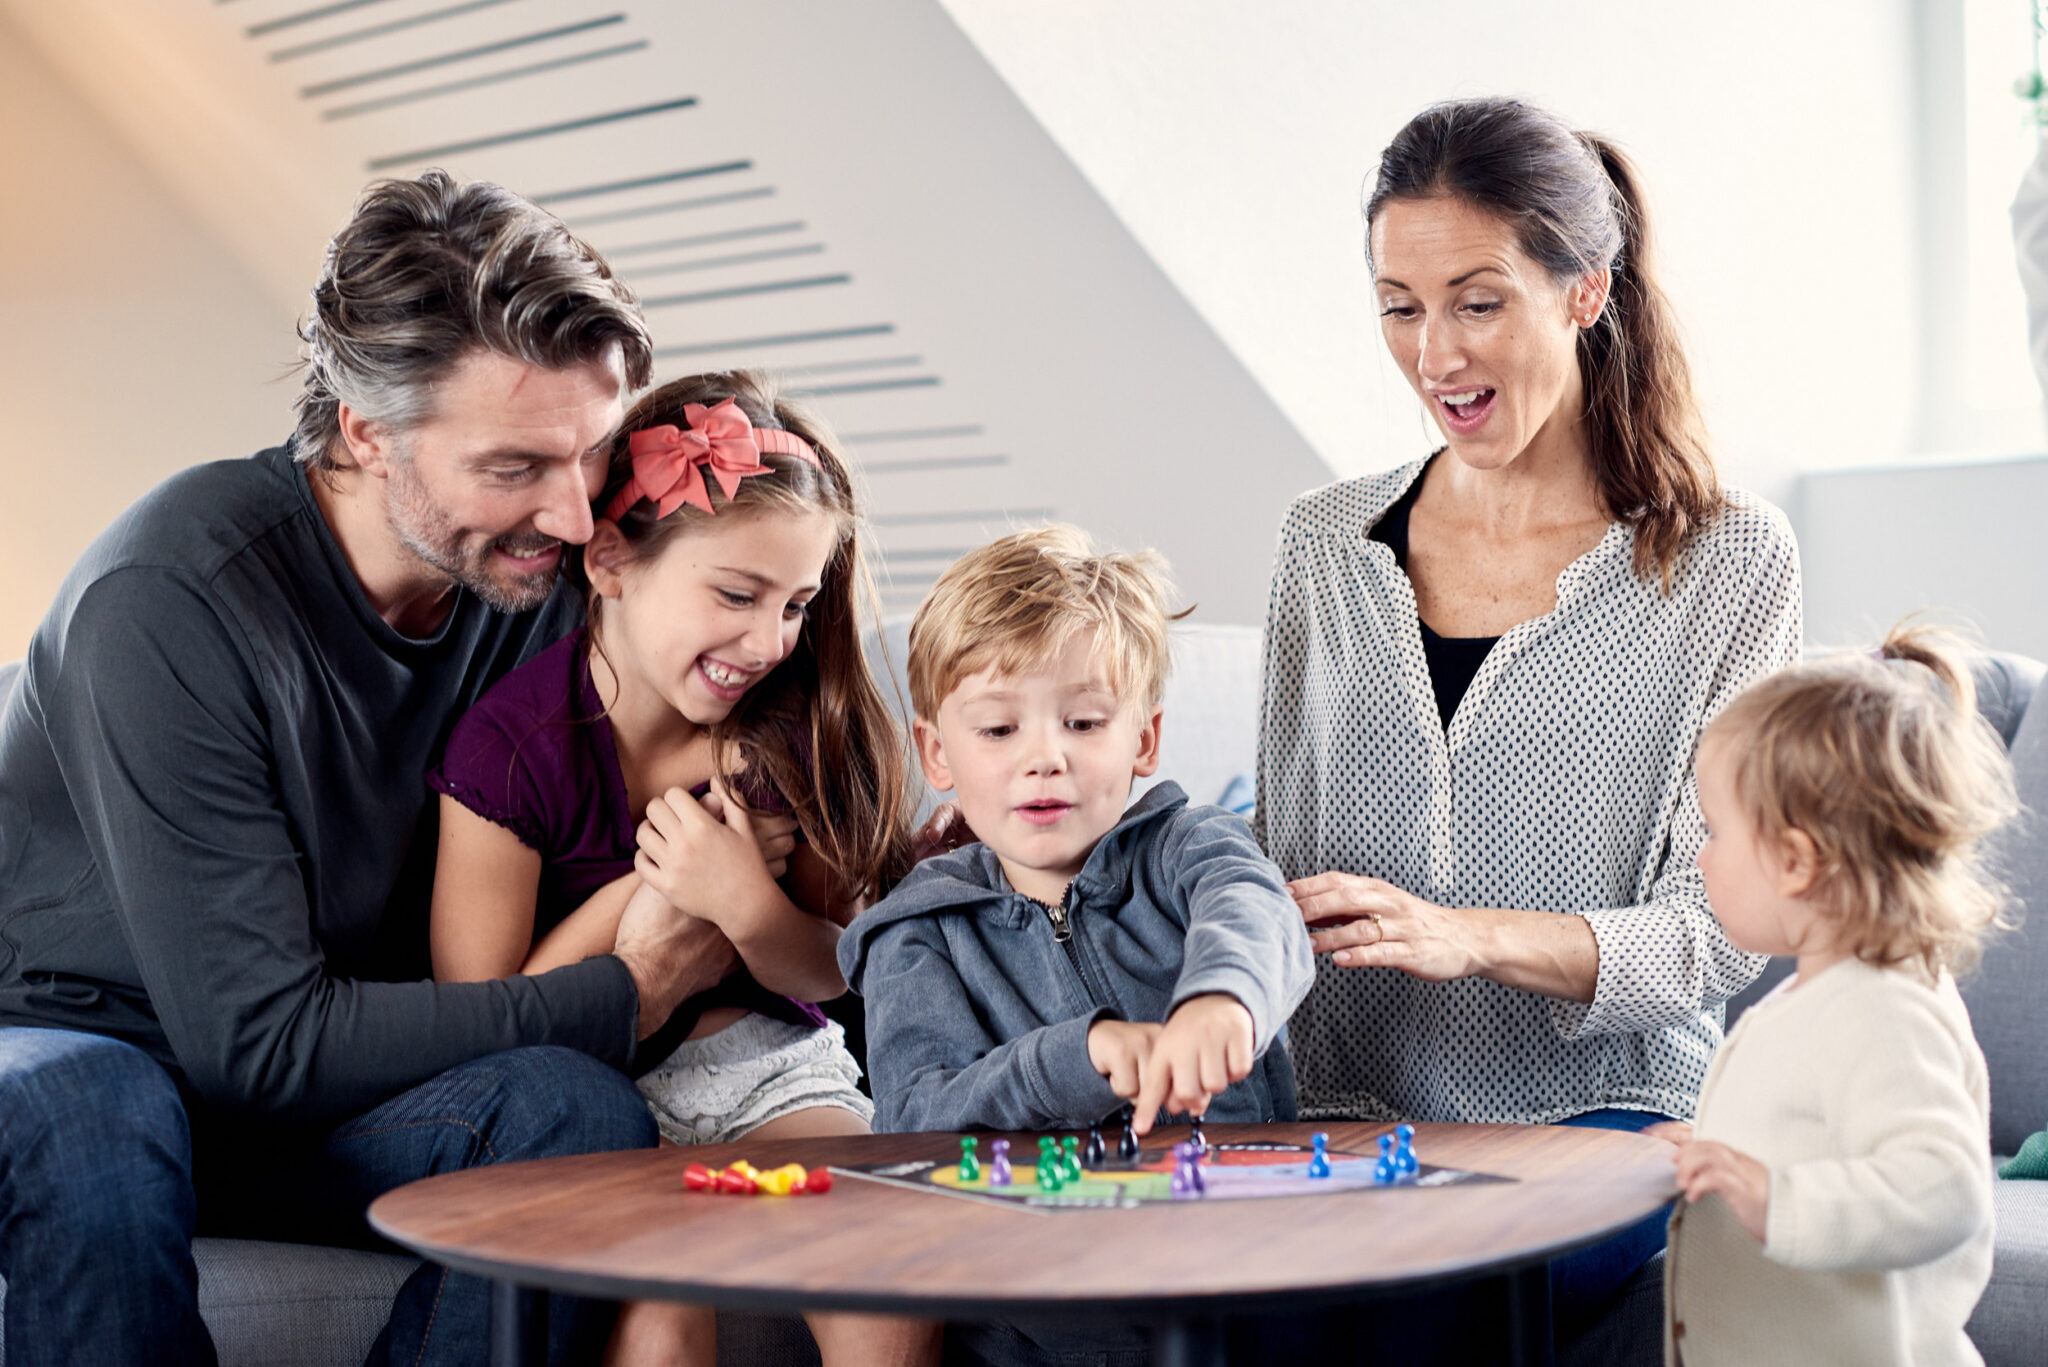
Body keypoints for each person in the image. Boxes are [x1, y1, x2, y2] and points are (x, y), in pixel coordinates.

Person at [0, 172, 738, 1366]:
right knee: (97, 1108)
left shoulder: (542, 581)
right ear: (364, 430)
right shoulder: (169, 597)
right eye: (513, 467)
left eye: (590, 452)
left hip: (308, 1084)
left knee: (568, 1110)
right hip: (78, 1048)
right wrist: (626, 992)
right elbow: (261, 1044)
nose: (567, 514)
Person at [1255, 96, 1801, 1339]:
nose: (1434, 352)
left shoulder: (1724, 560)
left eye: (1477, 299)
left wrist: (1468, 936)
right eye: (1399, 305)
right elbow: (1273, 865)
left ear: (1583, 292)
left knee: (1435, 1289)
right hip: (1339, 1108)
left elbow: (1719, 935)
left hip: (1603, 1113)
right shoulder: (1322, 545)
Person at [428, 369, 936, 1367]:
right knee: (659, 1315)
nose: (767, 640)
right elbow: (482, 1020)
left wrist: (744, 903)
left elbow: (830, 971)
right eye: (737, 594)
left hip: (765, 1073)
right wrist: (651, 888)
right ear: (609, 559)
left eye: (794, 604)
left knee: (887, 1266)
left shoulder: (783, 735)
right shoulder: (508, 747)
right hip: (596, 1103)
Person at [841, 525, 1314, 1365]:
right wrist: (1080, 1055)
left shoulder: (1190, 842)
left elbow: (1253, 909)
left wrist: (1223, 996)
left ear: (1143, 740)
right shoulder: (914, 931)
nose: (1044, 759)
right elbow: (912, 1119)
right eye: (998, 730)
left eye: (1084, 721)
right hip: (1033, 1322)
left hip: (1243, 1286)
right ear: (935, 752)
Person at [1662, 626, 2008, 1365]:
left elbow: (1945, 1186)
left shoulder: (1883, 1009)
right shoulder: (1826, 994)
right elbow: (1825, 1133)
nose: (1701, 855)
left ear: (1795, 861)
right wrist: (1723, 1150)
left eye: (1716, 831)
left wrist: (1776, 1200)